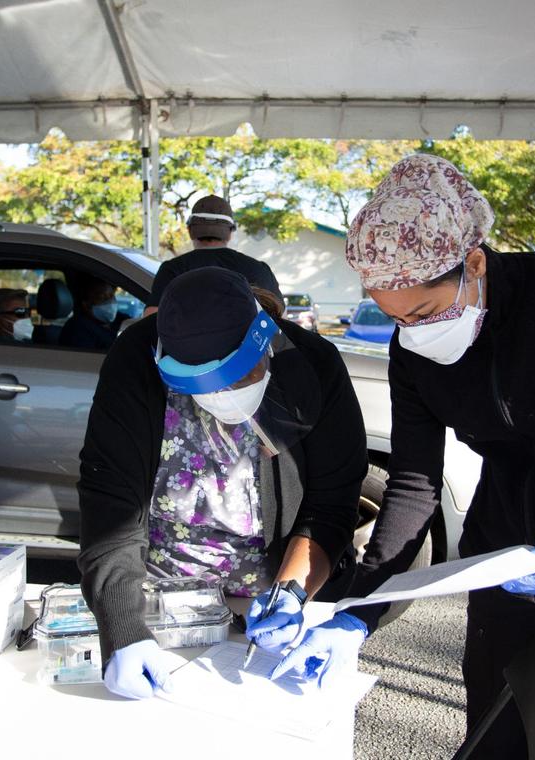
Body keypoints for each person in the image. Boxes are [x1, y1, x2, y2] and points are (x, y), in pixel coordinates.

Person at [277, 154, 535, 760]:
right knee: (497, 741)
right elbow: (416, 484)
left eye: (421, 312)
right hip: (504, 559)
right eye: (394, 319)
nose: (412, 333)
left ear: (474, 263)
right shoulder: (413, 349)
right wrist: (359, 606)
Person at [77, 266, 366, 700]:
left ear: (263, 341)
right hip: (160, 606)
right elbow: (109, 499)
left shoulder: (313, 363)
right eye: (201, 385)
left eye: (240, 376)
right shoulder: (135, 358)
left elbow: (332, 502)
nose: (223, 394)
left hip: (267, 608)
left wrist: (290, 593)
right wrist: (123, 626)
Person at [142, 194, 282, 316]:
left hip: (187, 347)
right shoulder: (258, 269)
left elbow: (151, 319)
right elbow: (281, 322)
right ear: (230, 233)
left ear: (190, 231)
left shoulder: (172, 269)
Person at [59, 272, 123, 350]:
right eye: (103, 298)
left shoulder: (119, 319)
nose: (110, 302)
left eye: (112, 296)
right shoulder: (78, 328)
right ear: (86, 305)